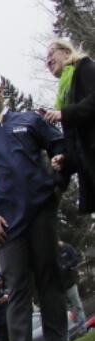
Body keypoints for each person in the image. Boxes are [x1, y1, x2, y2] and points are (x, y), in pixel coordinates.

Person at [0, 76, 69, 341]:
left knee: (49, 278)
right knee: (18, 291)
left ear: (0, 90)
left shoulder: (28, 122)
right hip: (9, 226)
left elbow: (59, 144)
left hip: (40, 211)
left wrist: (57, 181)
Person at [44, 39, 95, 215]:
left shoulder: (84, 67)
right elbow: (80, 143)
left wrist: (64, 114)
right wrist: (66, 159)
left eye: (51, 53)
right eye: (46, 59)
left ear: (66, 52)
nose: (48, 60)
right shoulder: (65, 93)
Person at [57, 240, 84, 325]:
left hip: (70, 282)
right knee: (65, 310)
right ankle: (72, 329)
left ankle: (82, 327)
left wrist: (66, 266)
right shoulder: (52, 253)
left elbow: (76, 259)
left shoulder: (66, 248)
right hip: (59, 286)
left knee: (77, 305)